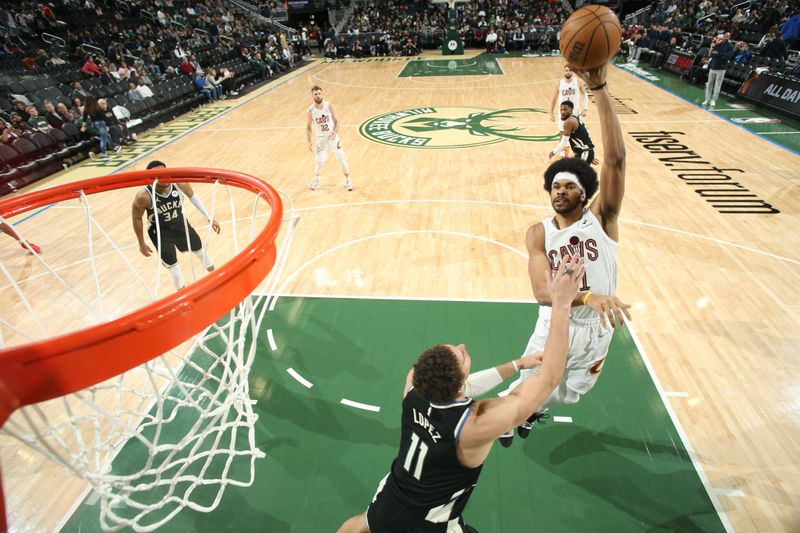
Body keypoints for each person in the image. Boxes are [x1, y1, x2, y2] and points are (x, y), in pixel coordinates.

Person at [338, 254, 585, 533]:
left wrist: (516, 365)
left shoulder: (413, 388)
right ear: (459, 382)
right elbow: (549, 379)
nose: (463, 345)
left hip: (389, 502)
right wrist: (562, 304)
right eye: (461, 354)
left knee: (357, 526)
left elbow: (461, 387)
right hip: (429, 525)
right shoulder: (472, 426)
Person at [498, 63, 631, 448]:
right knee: (533, 382)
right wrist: (589, 296)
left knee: (574, 389)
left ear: (584, 193)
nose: (559, 191)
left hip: (597, 328)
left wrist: (601, 90)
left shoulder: (603, 220)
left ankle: (533, 409)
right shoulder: (538, 233)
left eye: (569, 186)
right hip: (556, 321)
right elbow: (543, 292)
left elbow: (616, 161)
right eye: (554, 186)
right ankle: (511, 413)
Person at [131, 160, 221, 290]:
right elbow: (137, 218)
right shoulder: (143, 196)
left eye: (165, 173)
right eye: (158, 175)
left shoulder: (179, 184)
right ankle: (184, 298)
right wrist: (141, 243)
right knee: (176, 271)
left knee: (202, 253)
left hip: (180, 225)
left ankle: (217, 279)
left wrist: (209, 218)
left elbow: (193, 196)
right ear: (151, 179)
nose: (163, 177)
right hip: (160, 233)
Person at [306, 85, 352, 191]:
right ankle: (316, 179)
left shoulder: (329, 106)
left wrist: (335, 132)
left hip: (332, 137)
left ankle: (348, 180)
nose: (317, 96)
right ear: (312, 95)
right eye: (315, 94)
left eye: (319, 93)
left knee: (341, 159)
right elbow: (308, 127)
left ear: (322, 94)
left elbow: (337, 121)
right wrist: (309, 141)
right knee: (319, 162)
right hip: (320, 139)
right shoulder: (310, 110)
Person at [550, 65, 588, 155]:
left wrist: (585, 108)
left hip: (575, 113)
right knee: (562, 132)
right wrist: (551, 113)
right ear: (564, 71)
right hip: (562, 113)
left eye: (569, 70)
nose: (568, 72)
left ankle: (579, 152)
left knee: (578, 134)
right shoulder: (560, 83)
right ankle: (563, 154)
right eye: (566, 70)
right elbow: (554, 98)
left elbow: (585, 95)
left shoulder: (578, 81)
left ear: (572, 71)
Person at [547, 100, 599, 165]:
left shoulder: (569, 122)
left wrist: (553, 152)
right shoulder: (575, 118)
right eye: (561, 110)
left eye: (565, 109)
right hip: (585, 152)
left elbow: (564, 143)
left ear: (571, 110)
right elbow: (585, 136)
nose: (562, 112)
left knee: (574, 174)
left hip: (584, 153)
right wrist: (589, 154)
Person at [702, 32, 733, 107]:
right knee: (709, 84)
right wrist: (721, 54)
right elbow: (712, 54)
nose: (726, 37)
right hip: (713, 66)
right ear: (723, 36)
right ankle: (707, 99)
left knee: (717, 85)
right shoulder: (718, 44)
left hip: (722, 68)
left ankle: (713, 100)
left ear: (729, 37)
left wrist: (718, 54)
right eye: (725, 36)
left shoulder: (730, 46)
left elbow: (728, 57)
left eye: (728, 36)